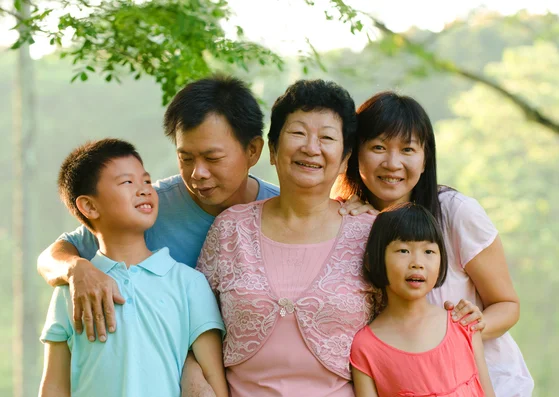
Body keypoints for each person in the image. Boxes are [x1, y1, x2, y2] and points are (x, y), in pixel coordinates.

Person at [37, 75, 279, 343]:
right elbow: (51, 257)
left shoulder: (284, 209)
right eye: (185, 158)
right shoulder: (147, 207)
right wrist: (76, 270)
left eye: (213, 158)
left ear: (253, 151)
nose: (198, 172)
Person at [335, 92, 534, 396]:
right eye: (378, 147)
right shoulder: (346, 219)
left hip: (487, 381)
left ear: (426, 157)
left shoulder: (456, 212)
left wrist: (468, 328)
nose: (392, 163)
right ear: (354, 153)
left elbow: (508, 305)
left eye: (408, 149)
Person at [197, 79, 377, 396]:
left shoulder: (370, 232)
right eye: (298, 133)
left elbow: (401, 325)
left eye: (327, 137)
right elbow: (197, 324)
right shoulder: (231, 228)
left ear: (345, 157)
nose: (311, 147)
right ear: (273, 149)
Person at [38, 139, 227, 397]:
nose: (145, 190)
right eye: (128, 182)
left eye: (147, 181)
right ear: (90, 206)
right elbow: (55, 386)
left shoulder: (188, 283)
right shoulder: (71, 291)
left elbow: (214, 381)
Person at [351, 203, 495, 397]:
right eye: (403, 250)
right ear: (374, 260)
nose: (417, 263)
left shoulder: (462, 324)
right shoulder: (366, 347)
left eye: (428, 252)